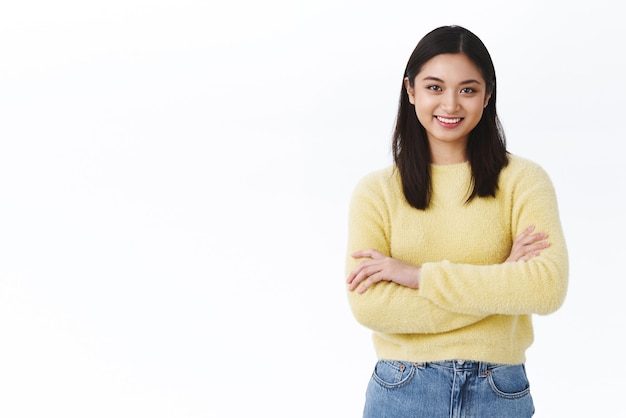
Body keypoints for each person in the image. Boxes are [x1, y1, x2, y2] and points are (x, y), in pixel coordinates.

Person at [345, 25, 568, 418]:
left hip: (498, 390)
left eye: (467, 89)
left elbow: (547, 287)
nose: (450, 105)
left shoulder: (523, 181)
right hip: (403, 389)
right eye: (434, 87)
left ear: (487, 95)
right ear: (410, 90)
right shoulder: (377, 191)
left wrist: (418, 277)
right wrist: (502, 278)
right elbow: (372, 307)